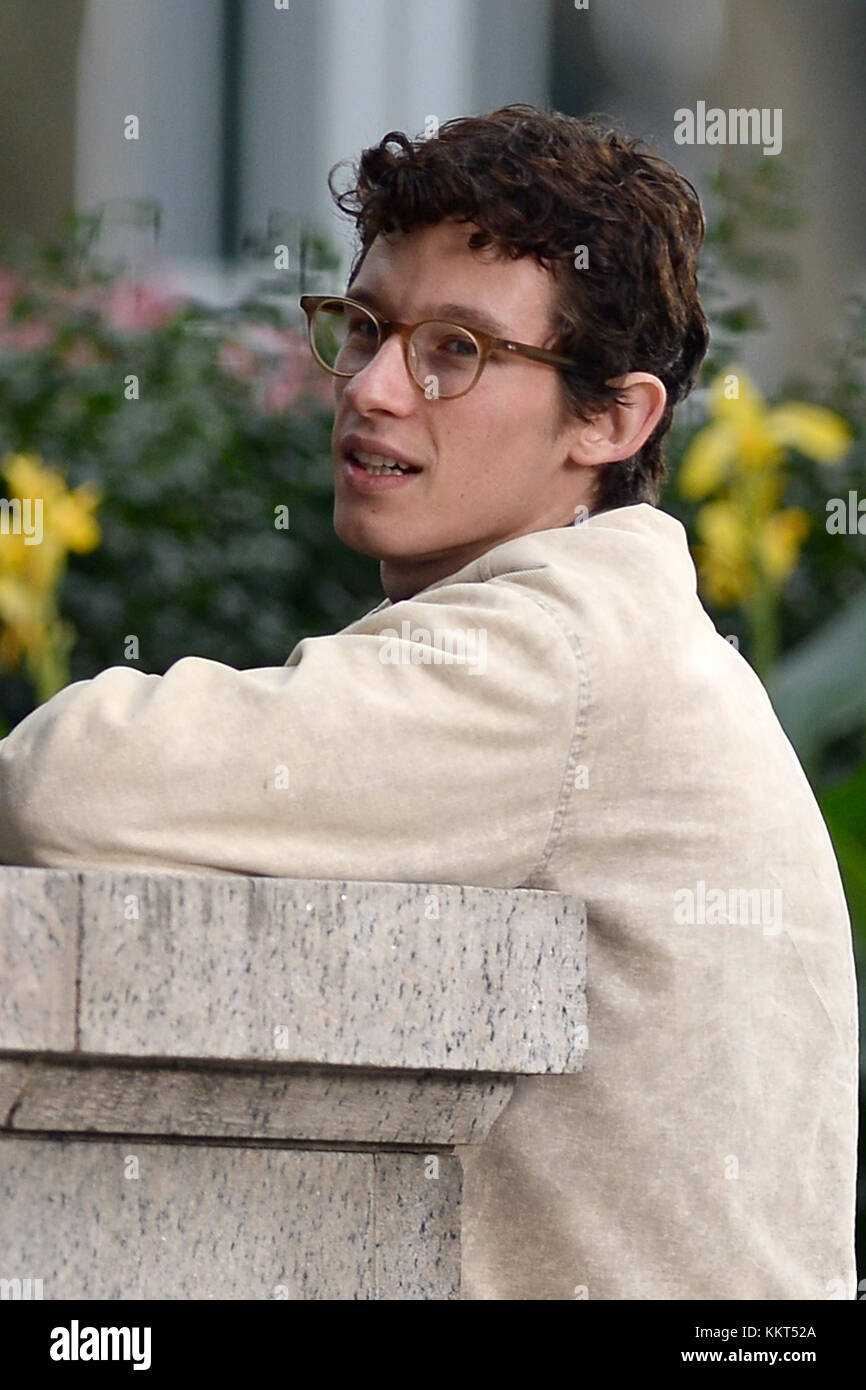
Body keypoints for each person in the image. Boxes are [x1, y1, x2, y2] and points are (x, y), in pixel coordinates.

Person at [0, 105, 858, 1300]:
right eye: (364, 328)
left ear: (612, 416)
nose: (374, 389)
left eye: (455, 350)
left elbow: (69, 788)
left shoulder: (549, 658)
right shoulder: (621, 637)